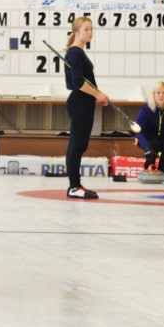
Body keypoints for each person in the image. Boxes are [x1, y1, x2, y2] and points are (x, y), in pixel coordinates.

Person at [64, 16, 110, 199]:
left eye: (91, 29)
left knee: (76, 145)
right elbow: (78, 83)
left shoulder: (78, 52)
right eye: (86, 29)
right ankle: (74, 186)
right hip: (80, 102)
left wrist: (97, 94)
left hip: (84, 102)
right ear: (76, 32)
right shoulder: (75, 52)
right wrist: (97, 94)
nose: (90, 32)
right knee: (78, 145)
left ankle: (74, 185)